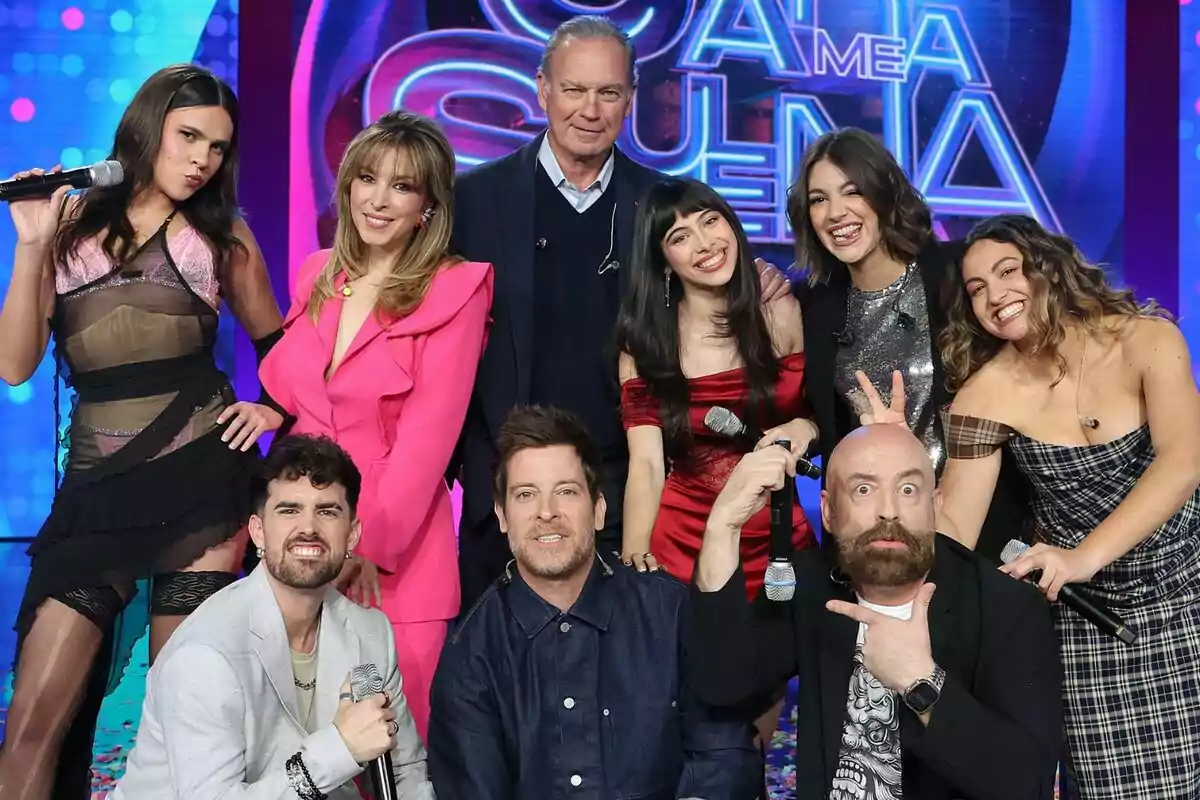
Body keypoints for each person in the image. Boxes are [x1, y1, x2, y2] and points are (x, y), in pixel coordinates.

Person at [0, 64, 284, 798]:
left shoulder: (223, 239)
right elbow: (14, 364)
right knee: (31, 720)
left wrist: (273, 409)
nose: (202, 160)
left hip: (203, 485)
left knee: (185, 725)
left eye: (218, 148)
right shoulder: (66, 225)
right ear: (147, 127)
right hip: (96, 493)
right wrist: (30, 240)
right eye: (189, 137)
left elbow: (284, 353)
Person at [450, 14, 790, 610]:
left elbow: (722, 290)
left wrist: (763, 285)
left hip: (632, 487)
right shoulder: (474, 200)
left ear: (630, 99)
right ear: (543, 90)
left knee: (625, 680)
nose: (590, 109)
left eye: (608, 92)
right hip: (505, 488)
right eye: (574, 89)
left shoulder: (662, 206)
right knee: (498, 682)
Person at [933, 214, 1200, 799]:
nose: (995, 296)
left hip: (1188, 596)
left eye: (1008, 271)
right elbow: (952, 531)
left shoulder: (1148, 340)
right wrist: (894, 469)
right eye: (977, 289)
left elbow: (1182, 463)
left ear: (1048, 268)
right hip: (1088, 628)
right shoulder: (985, 395)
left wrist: (1083, 555)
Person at [260, 110, 492, 739]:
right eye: (367, 178)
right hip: (300, 541)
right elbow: (299, 386)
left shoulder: (455, 289)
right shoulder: (318, 273)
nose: (378, 199)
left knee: (396, 749)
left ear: (428, 205)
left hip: (391, 557)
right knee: (299, 745)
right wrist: (268, 408)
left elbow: (428, 439)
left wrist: (364, 544)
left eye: (401, 185)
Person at [688, 424, 1063, 799]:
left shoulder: (1007, 606)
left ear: (935, 508)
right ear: (829, 512)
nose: (889, 511)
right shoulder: (811, 584)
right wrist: (723, 525)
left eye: (908, 489)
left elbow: (1028, 784)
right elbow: (724, 683)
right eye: (864, 489)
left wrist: (922, 683)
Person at [427, 406, 761, 800]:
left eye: (566, 491)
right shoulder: (471, 653)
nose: (546, 512)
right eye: (526, 495)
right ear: (502, 515)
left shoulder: (669, 612)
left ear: (599, 510)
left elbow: (725, 753)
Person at [112, 434, 434, 799]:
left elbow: (406, 770)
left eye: (327, 511)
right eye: (289, 510)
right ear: (258, 532)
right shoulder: (206, 653)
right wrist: (340, 750)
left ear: (352, 535)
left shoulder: (370, 632)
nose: (308, 527)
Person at [787, 127, 1027, 563]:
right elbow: (828, 419)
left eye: (852, 191)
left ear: (883, 193)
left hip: (986, 531)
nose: (835, 213)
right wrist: (805, 428)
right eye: (819, 199)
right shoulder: (811, 304)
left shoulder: (956, 272)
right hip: (875, 542)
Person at [614, 177, 814, 591]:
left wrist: (805, 429)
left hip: (782, 539)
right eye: (681, 236)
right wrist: (635, 561)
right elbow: (648, 465)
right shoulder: (647, 344)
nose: (705, 243)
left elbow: (815, 413)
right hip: (686, 544)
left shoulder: (781, 314)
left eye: (711, 221)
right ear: (664, 259)